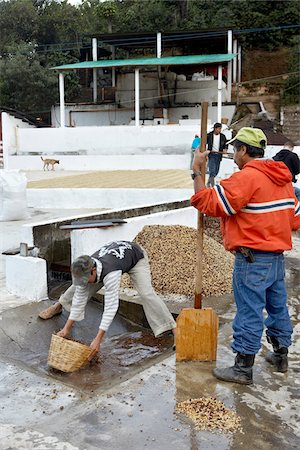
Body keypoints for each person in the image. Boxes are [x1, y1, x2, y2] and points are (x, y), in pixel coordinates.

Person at [190, 127, 300, 385]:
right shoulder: (283, 180)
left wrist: (196, 170)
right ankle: (280, 356)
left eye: (234, 149)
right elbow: (292, 221)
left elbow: (207, 203)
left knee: (249, 312)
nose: (233, 154)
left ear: (243, 149)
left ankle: (242, 369)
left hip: (252, 260)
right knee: (277, 308)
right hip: (276, 258)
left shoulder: (247, 178)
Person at [39, 241, 176, 359]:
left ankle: (175, 330)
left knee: (147, 294)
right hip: (110, 259)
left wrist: (98, 340)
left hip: (135, 257)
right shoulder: (86, 265)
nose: (83, 282)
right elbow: (80, 299)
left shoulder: (111, 274)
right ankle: (59, 305)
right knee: (78, 286)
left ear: (93, 271)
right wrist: (65, 329)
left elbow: (110, 308)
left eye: (85, 278)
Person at [206, 122, 228, 187]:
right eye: (218, 128)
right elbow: (204, 143)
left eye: (220, 129)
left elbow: (226, 145)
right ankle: (212, 185)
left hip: (219, 155)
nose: (219, 130)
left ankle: (208, 183)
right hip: (211, 154)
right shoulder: (209, 135)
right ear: (215, 129)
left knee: (216, 171)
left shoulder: (223, 136)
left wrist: (225, 150)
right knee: (212, 170)